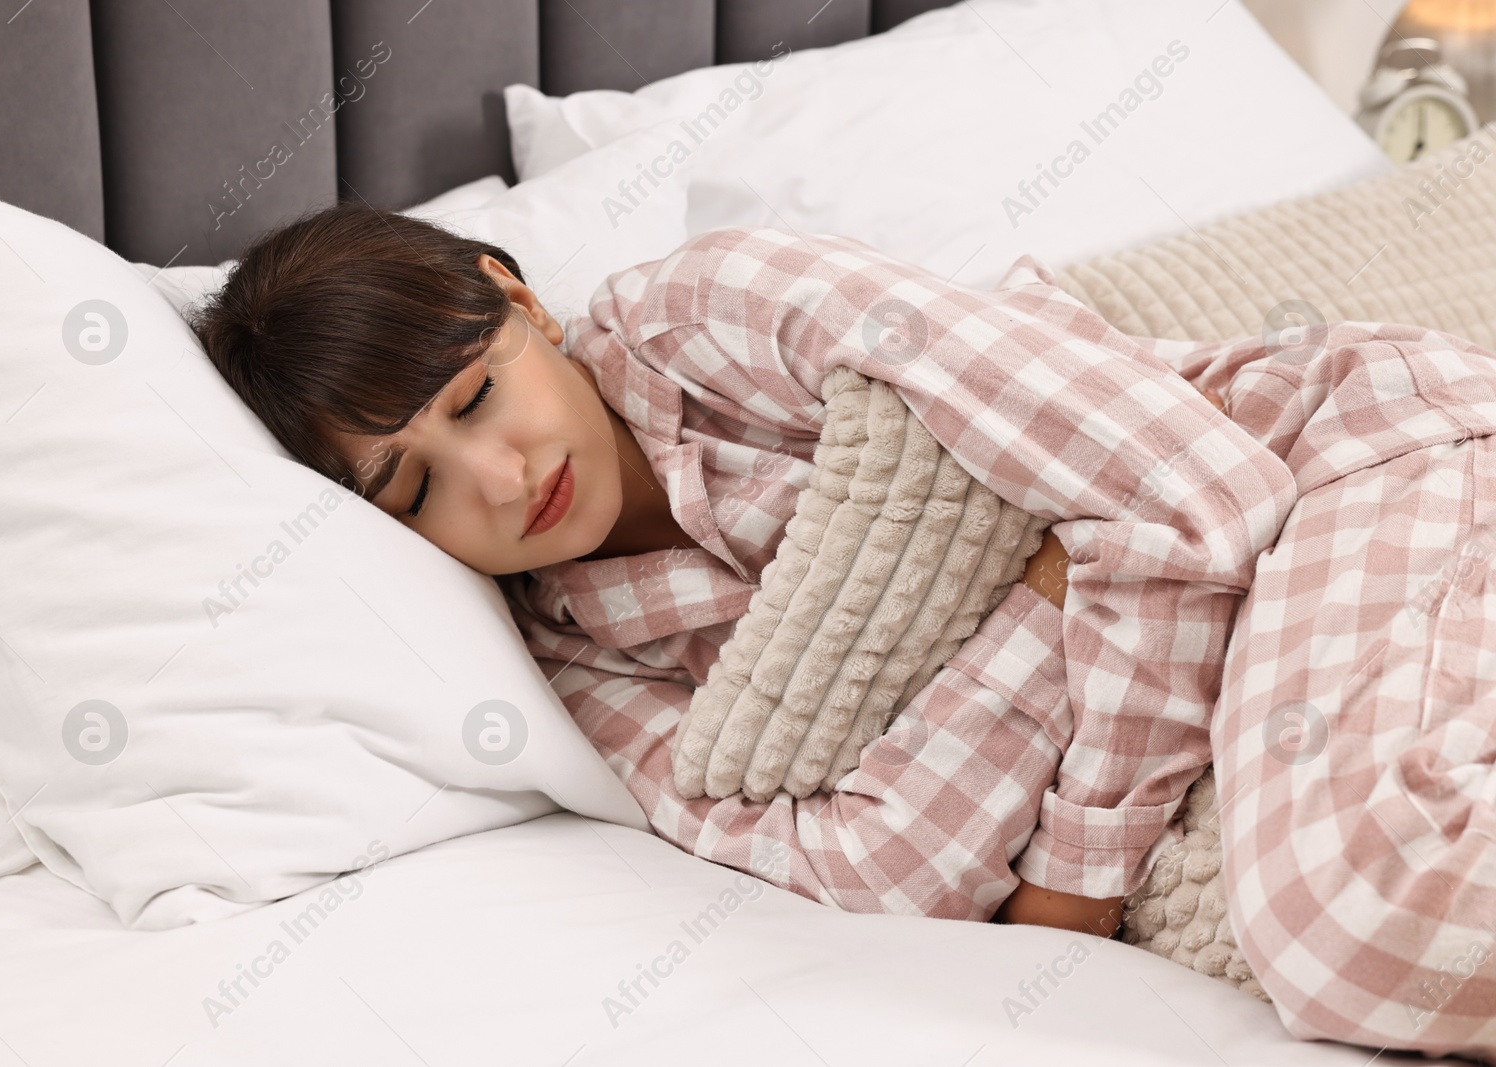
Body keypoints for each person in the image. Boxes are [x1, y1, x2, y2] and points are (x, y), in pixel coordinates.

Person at [194, 202, 1496, 1059]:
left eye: (479, 396)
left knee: (1345, 917)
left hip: (1348, 463)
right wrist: (1043, 580)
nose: (495, 476)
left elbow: (1203, 488)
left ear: (520, 299)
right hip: (1269, 636)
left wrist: (1070, 877)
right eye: (413, 489)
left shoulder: (721, 311)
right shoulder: (583, 672)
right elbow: (883, 877)